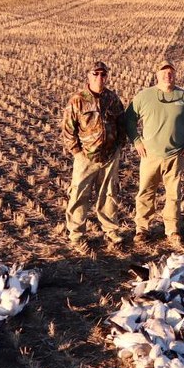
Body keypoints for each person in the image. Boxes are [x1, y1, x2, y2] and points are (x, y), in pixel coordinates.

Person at [124, 58, 184, 248]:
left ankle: (172, 229)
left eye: (171, 72)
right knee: (145, 192)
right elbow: (129, 119)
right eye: (163, 72)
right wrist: (136, 141)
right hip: (149, 156)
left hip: (175, 156)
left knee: (174, 195)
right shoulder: (144, 96)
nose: (167, 75)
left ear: (174, 75)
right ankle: (142, 229)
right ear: (157, 75)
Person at [60, 60, 127, 252]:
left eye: (103, 74)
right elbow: (67, 130)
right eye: (95, 74)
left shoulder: (112, 99)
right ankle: (77, 236)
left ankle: (112, 233)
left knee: (109, 195)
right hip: (85, 158)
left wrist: (118, 147)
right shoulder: (78, 100)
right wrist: (77, 152)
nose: (100, 77)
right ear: (88, 76)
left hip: (109, 157)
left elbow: (122, 124)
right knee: (80, 196)